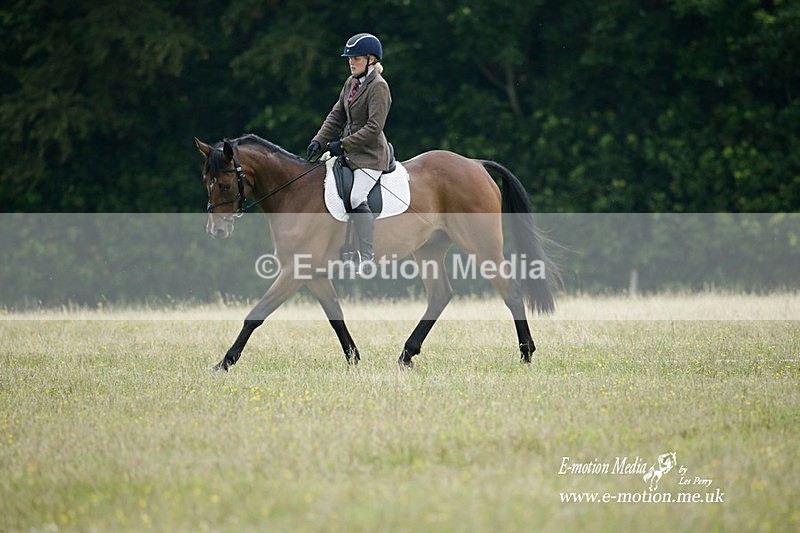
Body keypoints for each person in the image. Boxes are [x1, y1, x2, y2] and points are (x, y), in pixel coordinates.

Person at [307, 33, 392, 274]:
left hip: (370, 156)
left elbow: (374, 128)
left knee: (355, 198)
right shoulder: (351, 82)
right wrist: (319, 139)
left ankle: (366, 255)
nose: (351, 62)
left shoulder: (379, 87)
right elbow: (336, 115)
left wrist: (341, 144)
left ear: (371, 59)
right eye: (350, 58)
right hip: (349, 153)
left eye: (356, 58)